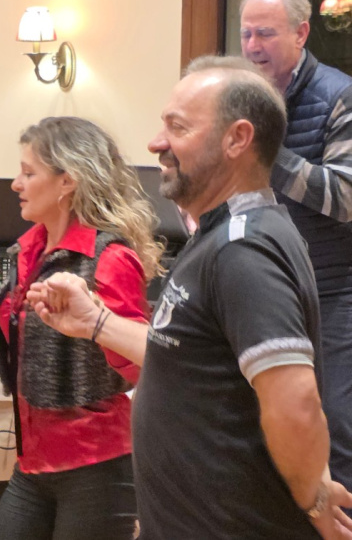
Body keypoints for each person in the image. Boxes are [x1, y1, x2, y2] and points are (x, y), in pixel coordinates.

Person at [27, 56, 352, 539]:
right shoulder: (218, 235)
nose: (156, 143)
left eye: (177, 128)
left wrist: (314, 501)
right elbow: (186, 355)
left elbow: (297, 404)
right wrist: (96, 322)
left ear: (237, 139)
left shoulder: (244, 249)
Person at [0, 116, 163, 539]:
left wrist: (95, 321)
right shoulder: (30, 251)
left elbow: (140, 366)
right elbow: (4, 347)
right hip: (33, 464)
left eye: (28, 173)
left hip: (97, 467)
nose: (15, 184)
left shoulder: (110, 258)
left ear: (66, 182)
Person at [239, 0, 352, 492]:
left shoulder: (339, 95)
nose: (252, 46)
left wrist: (268, 154)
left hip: (332, 292)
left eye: (265, 33)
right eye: (246, 34)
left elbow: (345, 197)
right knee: (263, 425)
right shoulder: (238, 97)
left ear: (301, 33)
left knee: (337, 429)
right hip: (261, 286)